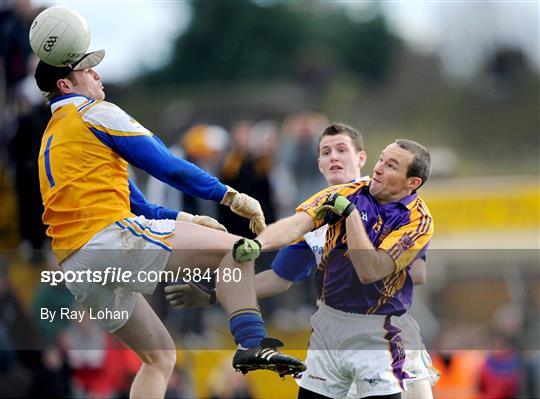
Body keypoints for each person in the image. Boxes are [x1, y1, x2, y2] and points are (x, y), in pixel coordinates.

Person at [33, 48, 304, 399]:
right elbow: (166, 165)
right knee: (240, 249)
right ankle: (252, 343)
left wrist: (183, 218)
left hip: (77, 266)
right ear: (65, 84)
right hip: (109, 241)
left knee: (160, 358)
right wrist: (228, 195)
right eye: (88, 71)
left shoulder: (53, 139)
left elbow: (137, 203)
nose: (98, 75)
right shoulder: (95, 113)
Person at [169, 124, 438, 398]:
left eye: (342, 150)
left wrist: (370, 249)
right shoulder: (321, 216)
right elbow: (278, 276)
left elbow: (418, 272)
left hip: (390, 332)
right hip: (333, 327)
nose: (333, 157)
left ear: (361, 158)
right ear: (318, 163)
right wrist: (219, 290)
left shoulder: (409, 214)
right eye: (325, 152)